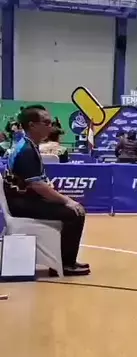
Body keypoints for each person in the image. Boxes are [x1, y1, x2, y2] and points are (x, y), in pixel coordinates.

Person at [2, 106, 89, 276]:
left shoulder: (28, 145)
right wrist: (66, 200)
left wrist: (60, 197)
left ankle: (64, 260)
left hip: (24, 199)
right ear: (32, 125)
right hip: (21, 204)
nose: (51, 126)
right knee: (75, 213)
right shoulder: (26, 150)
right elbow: (38, 186)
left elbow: (38, 182)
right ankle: (66, 264)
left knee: (71, 207)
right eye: (47, 122)